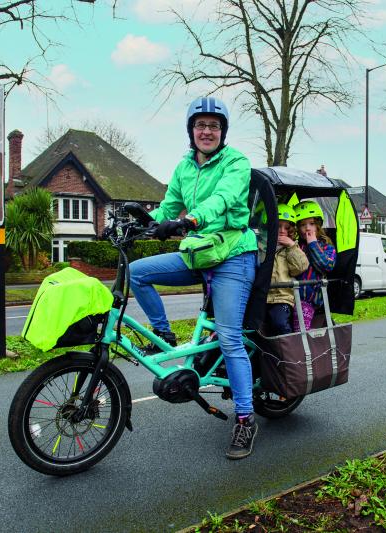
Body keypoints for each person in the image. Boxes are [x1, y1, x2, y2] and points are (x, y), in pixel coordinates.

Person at [129, 96, 260, 460]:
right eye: (200, 125)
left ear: (222, 133)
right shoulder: (185, 167)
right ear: (191, 131)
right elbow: (169, 206)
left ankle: (246, 419)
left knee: (231, 337)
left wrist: (190, 221)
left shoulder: (236, 162)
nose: (207, 131)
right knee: (136, 273)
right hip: (200, 252)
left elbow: (223, 198)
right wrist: (144, 222)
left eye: (214, 126)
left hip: (233, 255)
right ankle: (163, 335)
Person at [266, 204, 310, 336]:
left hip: (282, 298)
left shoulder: (291, 249)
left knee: (279, 323)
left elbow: (300, 267)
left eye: (287, 228)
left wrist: (291, 246)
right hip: (262, 296)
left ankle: (290, 351)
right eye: (278, 226)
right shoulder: (263, 246)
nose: (282, 231)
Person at [292, 200, 336, 331]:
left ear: (318, 225)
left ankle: (302, 350)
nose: (307, 228)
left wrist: (313, 244)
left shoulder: (327, 246)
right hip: (291, 295)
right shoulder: (296, 246)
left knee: (301, 330)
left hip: (310, 298)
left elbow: (327, 265)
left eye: (311, 224)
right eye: (303, 225)